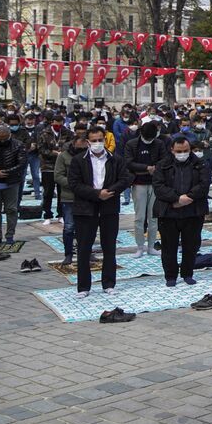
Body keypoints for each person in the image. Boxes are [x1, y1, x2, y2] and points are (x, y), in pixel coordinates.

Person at [68, 127, 128, 297]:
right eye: (93, 140)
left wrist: (109, 191)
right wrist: (96, 194)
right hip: (85, 208)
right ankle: (83, 287)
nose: (97, 143)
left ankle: (108, 283)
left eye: (100, 139)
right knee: (84, 248)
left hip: (109, 207)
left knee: (109, 246)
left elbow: (124, 179)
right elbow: (74, 183)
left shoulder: (115, 159)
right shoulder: (78, 160)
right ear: (87, 142)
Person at [152, 135, 209, 287]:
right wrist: (177, 199)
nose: (182, 153)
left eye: (186, 150)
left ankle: (187, 273)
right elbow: (158, 187)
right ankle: (170, 276)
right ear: (172, 150)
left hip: (193, 211)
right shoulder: (162, 164)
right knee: (168, 246)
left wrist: (187, 198)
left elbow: (204, 184)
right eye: (179, 151)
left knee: (191, 245)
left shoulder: (200, 163)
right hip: (169, 211)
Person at [122, 119, 165, 258]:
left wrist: (156, 168)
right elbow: (128, 162)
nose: (149, 140)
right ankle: (140, 246)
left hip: (155, 183)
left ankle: (151, 246)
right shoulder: (132, 144)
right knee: (139, 217)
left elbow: (165, 159)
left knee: (154, 217)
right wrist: (146, 168)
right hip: (138, 183)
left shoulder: (159, 143)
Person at [54, 129, 88, 264]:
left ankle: (86, 252)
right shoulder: (63, 156)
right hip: (69, 196)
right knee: (69, 227)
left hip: (87, 196)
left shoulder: (89, 155)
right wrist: (74, 185)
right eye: (80, 147)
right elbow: (58, 176)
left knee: (87, 227)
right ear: (74, 144)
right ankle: (68, 254)